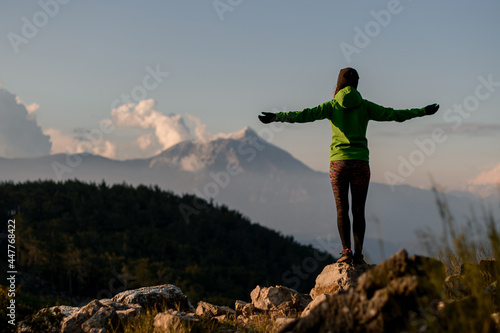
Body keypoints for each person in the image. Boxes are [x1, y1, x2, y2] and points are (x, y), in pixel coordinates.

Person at [258, 67, 439, 265]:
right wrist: (423, 111)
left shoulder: (331, 106)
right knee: (359, 210)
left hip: (338, 164)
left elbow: (303, 115)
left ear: (339, 84)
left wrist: (277, 117)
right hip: (361, 163)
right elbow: (395, 114)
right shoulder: (365, 106)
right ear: (356, 84)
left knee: (341, 209)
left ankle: (346, 252)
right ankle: (359, 256)